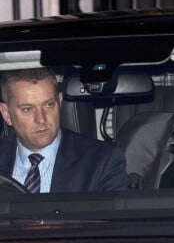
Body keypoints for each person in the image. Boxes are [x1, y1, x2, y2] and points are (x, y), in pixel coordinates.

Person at [0, 67, 129, 192]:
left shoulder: (102, 161)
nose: (41, 119)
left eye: (49, 105)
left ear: (60, 102)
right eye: (27, 109)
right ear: (6, 114)